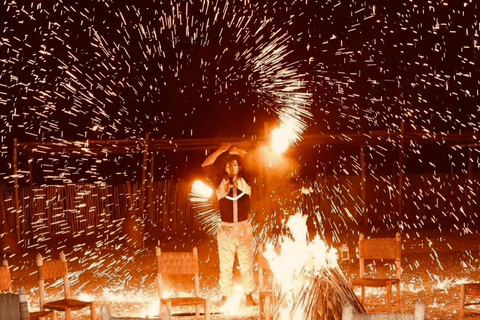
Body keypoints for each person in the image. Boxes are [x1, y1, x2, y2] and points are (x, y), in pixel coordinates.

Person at [201, 143, 257, 307]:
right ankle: (225, 296)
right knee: (225, 265)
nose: (231, 166)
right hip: (226, 229)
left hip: (243, 228)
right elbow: (206, 165)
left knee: (246, 264)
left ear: (238, 167)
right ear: (225, 169)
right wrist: (220, 151)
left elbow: (253, 160)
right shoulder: (220, 182)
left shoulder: (246, 179)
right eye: (228, 165)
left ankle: (249, 295)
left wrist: (238, 151)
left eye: (234, 164)